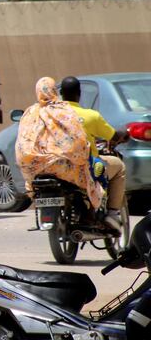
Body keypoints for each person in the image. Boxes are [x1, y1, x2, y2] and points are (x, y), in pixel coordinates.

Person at [16, 77, 103, 210]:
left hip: (34, 168)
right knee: (89, 174)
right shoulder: (64, 110)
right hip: (62, 168)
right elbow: (78, 139)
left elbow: (22, 142)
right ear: (55, 91)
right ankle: (91, 208)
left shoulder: (30, 113)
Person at [60, 76, 129, 230]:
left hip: (58, 165)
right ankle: (112, 213)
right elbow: (113, 136)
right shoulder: (90, 116)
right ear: (79, 94)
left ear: (61, 94)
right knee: (118, 167)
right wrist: (123, 134)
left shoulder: (52, 117)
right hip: (85, 165)